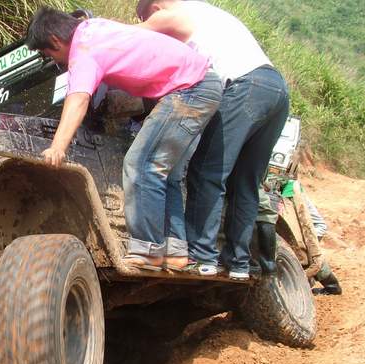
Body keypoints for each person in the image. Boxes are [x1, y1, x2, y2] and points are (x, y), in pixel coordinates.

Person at [26, 7, 222, 271]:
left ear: (55, 40)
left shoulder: (84, 50)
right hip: (201, 83)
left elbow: (78, 99)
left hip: (190, 89)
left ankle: (148, 251)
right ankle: (175, 252)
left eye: (48, 54)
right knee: (166, 173)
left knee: (141, 164)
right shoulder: (95, 28)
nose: (54, 60)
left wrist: (57, 147)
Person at [136, 0, 290, 280]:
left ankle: (202, 255)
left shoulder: (174, 14)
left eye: (146, 18)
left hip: (244, 87)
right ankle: (238, 263)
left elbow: (133, 39)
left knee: (208, 171)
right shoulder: (207, 12)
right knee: (245, 183)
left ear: (155, 9)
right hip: (275, 89)